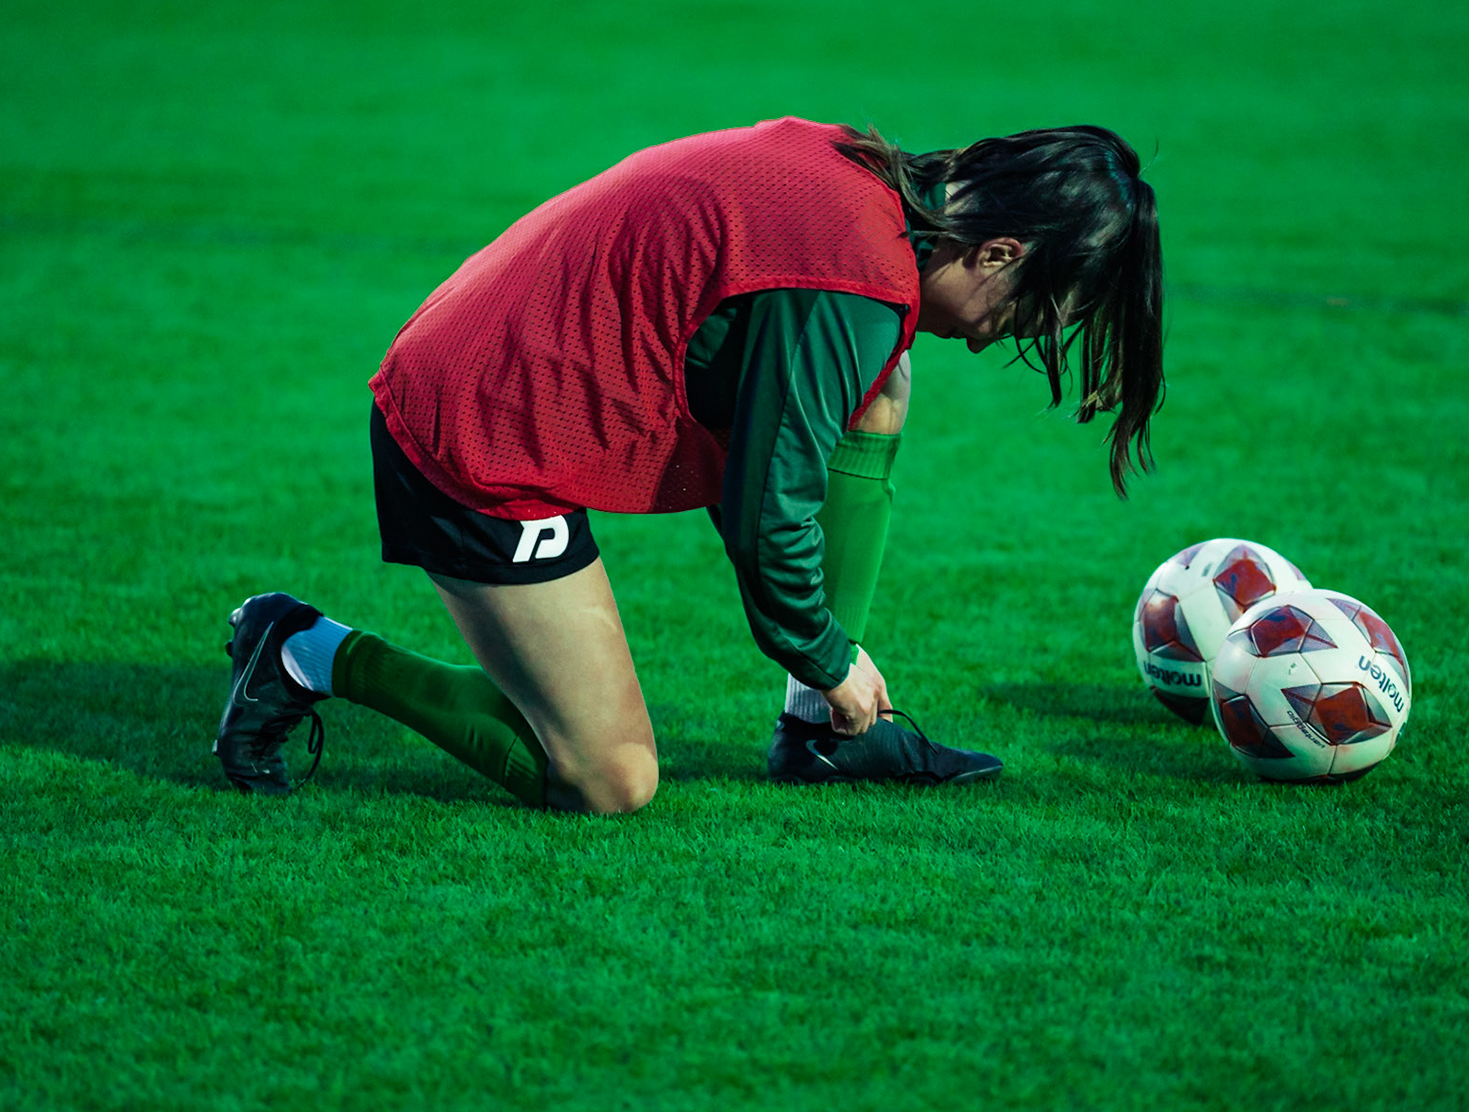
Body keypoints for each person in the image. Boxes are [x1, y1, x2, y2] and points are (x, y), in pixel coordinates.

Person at [213, 116, 1163, 813]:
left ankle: (823, 740)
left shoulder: (865, 183)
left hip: (495, 360)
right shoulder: (851, 279)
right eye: (1041, 310)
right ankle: (299, 650)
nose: (1026, 335)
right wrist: (828, 656)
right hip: (483, 432)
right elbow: (767, 509)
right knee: (608, 777)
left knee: (882, 378)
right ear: (999, 250)